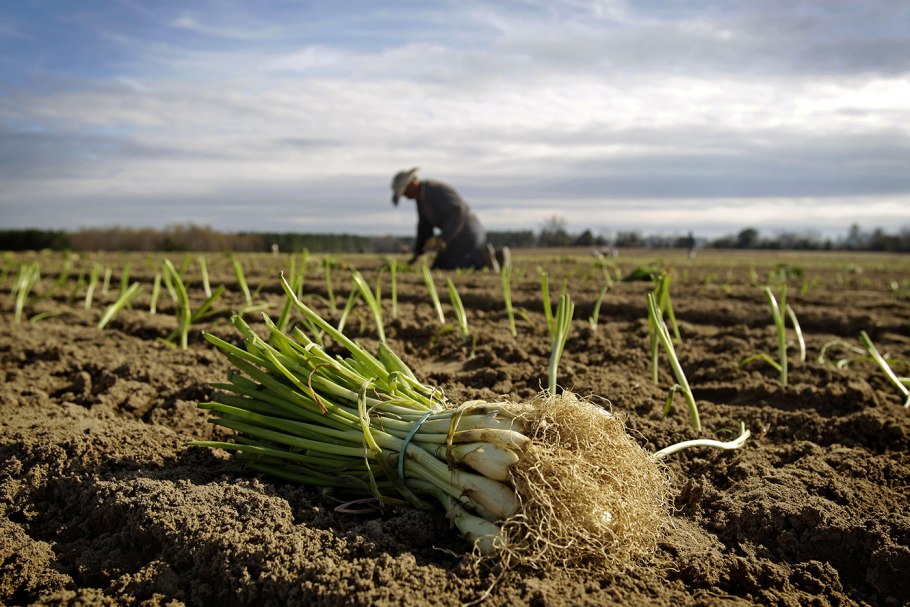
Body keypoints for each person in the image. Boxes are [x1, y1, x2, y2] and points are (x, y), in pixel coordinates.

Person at [391, 167, 501, 270]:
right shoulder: (421, 199)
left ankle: (482, 259)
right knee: (439, 265)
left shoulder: (433, 190)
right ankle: (494, 256)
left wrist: (443, 238)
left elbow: (459, 210)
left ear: (412, 183)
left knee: (448, 265)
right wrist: (418, 253)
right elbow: (424, 228)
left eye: (405, 192)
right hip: (457, 236)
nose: (406, 196)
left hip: (469, 232)